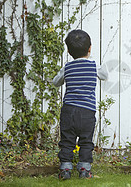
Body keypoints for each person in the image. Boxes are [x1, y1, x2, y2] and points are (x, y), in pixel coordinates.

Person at [52, 29, 108, 180]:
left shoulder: (67, 67)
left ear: (69, 51)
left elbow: (56, 82)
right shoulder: (94, 66)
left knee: (67, 141)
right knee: (85, 141)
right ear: (90, 48)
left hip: (68, 110)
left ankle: (65, 168)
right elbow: (105, 75)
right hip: (87, 112)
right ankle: (84, 169)